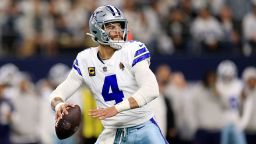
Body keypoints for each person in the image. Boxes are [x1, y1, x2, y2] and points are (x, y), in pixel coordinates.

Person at [49, 5, 168, 144]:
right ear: (97, 30)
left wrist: (116, 109)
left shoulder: (133, 50)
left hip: (144, 127)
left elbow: (151, 89)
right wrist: (59, 106)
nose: (118, 31)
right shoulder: (85, 60)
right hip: (113, 131)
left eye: (120, 26)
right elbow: (57, 94)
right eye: (111, 27)